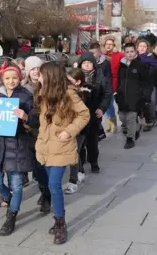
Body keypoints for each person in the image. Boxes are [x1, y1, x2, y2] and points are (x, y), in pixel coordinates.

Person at [0, 62, 37, 236]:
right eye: (7, 78)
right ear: (2, 78)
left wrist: (25, 117)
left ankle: (11, 216)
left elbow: (34, 120)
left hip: (18, 145)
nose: (11, 81)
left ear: (20, 78)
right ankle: (9, 199)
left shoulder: (26, 96)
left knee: (16, 184)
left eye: (15, 78)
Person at [35, 62, 90, 245]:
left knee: (54, 184)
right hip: (45, 147)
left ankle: (60, 223)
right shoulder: (43, 94)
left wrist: (69, 131)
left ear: (50, 77)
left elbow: (84, 114)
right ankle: (58, 218)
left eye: (41, 74)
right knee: (50, 185)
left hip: (61, 146)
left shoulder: (69, 94)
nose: (38, 77)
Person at [78, 51, 111, 173]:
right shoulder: (75, 77)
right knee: (80, 142)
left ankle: (93, 162)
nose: (86, 65)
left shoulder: (100, 76)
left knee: (92, 141)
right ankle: (80, 166)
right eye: (84, 63)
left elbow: (107, 94)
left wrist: (102, 108)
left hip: (94, 113)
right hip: (79, 115)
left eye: (89, 63)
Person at [115, 43, 150, 149]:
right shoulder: (122, 65)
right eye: (127, 52)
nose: (129, 54)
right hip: (122, 96)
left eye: (131, 51)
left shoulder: (141, 65)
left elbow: (147, 83)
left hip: (135, 97)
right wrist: (117, 92)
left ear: (135, 52)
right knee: (122, 117)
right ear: (124, 52)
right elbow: (119, 81)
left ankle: (130, 139)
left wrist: (145, 96)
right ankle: (136, 127)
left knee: (131, 117)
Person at [65, 68, 93, 193]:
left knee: (73, 153)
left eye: (69, 81)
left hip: (80, 129)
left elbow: (84, 112)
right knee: (75, 151)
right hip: (69, 127)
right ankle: (80, 171)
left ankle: (73, 181)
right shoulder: (66, 92)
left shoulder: (83, 93)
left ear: (77, 82)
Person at [102, 35, 125, 133]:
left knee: (121, 104)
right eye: (106, 44)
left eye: (110, 44)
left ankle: (123, 121)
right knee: (108, 104)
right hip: (106, 83)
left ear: (114, 45)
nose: (108, 46)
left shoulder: (120, 55)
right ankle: (110, 124)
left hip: (118, 82)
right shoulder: (102, 56)